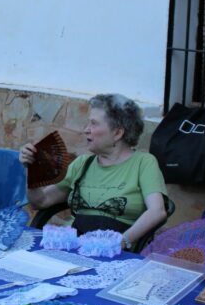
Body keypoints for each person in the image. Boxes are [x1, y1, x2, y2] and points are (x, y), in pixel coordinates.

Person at [19, 93, 168, 250]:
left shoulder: (143, 163)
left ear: (117, 133)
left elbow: (157, 211)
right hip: (75, 246)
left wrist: (120, 243)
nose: (86, 130)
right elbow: (40, 202)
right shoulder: (83, 164)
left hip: (116, 253)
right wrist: (32, 170)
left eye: (93, 124)